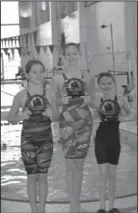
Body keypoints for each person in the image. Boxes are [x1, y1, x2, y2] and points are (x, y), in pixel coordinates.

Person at [8, 60, 59, 213]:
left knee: (43, 176)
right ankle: (34, 210)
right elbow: (11, 117)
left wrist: (52, 113)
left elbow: (57, 117)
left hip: (46, 140)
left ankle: (42, 210)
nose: (38, 75)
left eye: (41, 71)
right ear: (28, 75)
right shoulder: (21, 96)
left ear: (45, 74)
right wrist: (23, 115)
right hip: (28, 141)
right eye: (34, 72)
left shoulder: (49, 93)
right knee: (31, 177)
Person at [50, 42, 95, 213]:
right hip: (67, 123)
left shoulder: (88, 77)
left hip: (85, 123)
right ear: (63, 56)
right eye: (67, 54)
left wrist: (89, 100)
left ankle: (78, 204)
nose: (71, 57)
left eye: (74, 53)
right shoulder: (58, 78)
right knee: (70, 165)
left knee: (80, 165)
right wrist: (62, 101)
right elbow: (52, 104)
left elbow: (92, 99)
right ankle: (72, 206)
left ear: (79, 55)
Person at [89, 72, 135, 213]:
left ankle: (112, 206)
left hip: (114, 139)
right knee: (103, 175)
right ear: (99, 85)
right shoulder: (97, 101)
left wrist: (126, 118)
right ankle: (102, 207)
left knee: (113, 175)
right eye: (103, 83)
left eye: (109, 83)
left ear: (113, 83)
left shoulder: (120, 99)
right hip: (101, 139)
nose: (106, 86)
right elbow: (95, 118)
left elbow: (132, 113)